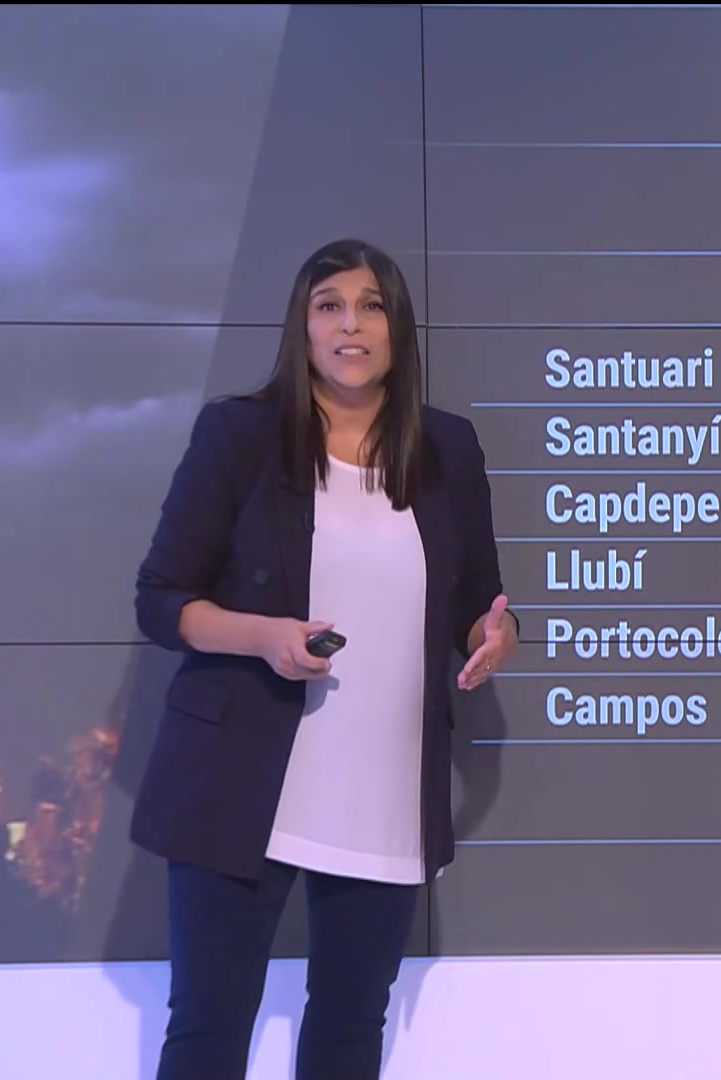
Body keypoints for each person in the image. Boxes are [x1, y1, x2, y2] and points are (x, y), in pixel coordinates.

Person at [129, 238, 519, 1080]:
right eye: (329, 306)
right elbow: (161, 599)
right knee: (207, 1033)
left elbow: (478, 602)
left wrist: (494, 635)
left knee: (349, 1034)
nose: (351, 326)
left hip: (382, 793)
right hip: (240, 784)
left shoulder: (447, 448)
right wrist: (263, 637)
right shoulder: (239, 435)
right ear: (301, 328)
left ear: (398, 329)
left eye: (371, 307)